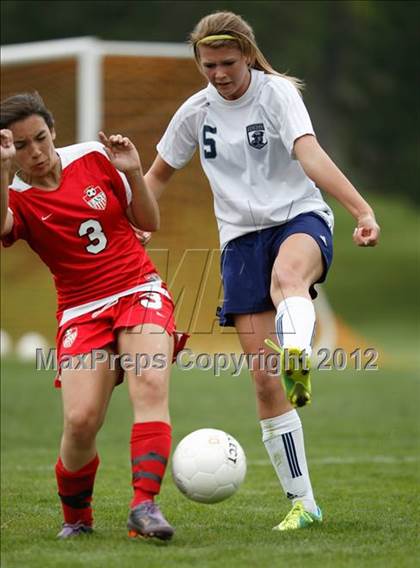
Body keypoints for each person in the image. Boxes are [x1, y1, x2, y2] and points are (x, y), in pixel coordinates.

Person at [144, 11, 380, 531]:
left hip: (298, 216)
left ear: (248, 55)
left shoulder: (276, 95)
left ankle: (297, 349)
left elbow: (309, 153)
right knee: (264, 382)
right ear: (199, 63)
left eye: (228, 62)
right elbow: (157, 175)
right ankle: (304, 504)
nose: (219, 73)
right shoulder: (195, 112)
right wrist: (133, 220)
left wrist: (361, 210)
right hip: (239, 244)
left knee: (289, 279)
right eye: (209, 65)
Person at [0, 92, 188, 541]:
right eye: (21, 146)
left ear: (54, 131)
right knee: (82, 420)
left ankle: (144, 507)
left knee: (150, 384)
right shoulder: (12, 192)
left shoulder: (93, 157)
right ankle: (77, 518)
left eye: (40, 138)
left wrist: (134, 173)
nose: (36, 152)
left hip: (138, 289)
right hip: (81, 311)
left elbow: (149, 219)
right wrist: (3, 169)